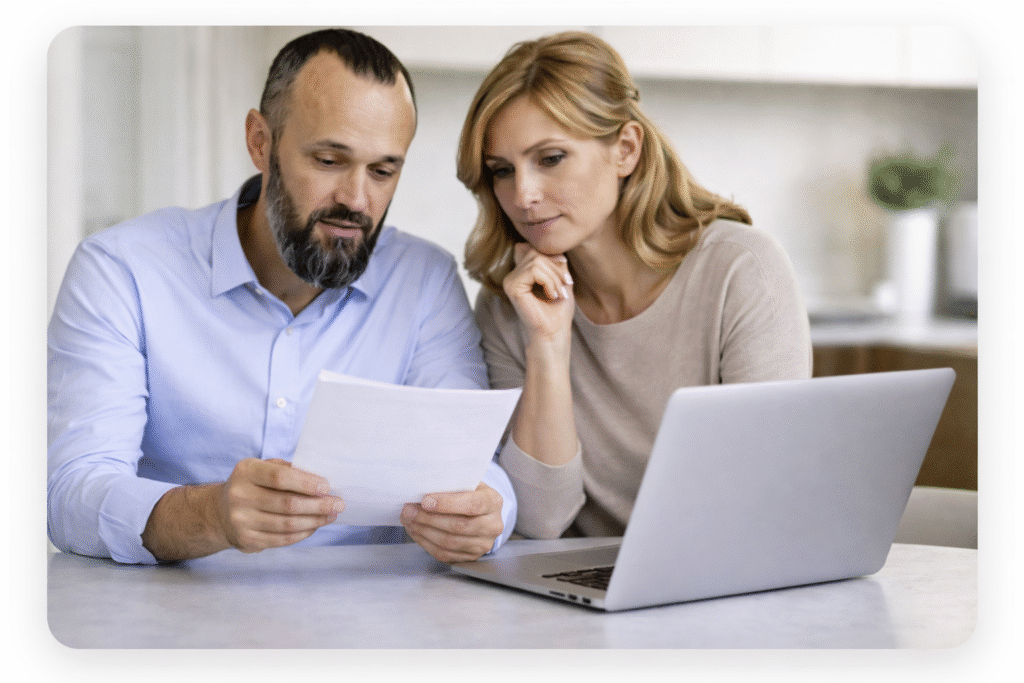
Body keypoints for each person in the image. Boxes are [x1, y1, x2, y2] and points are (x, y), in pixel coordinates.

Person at [47, 28, 515, 565]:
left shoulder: (425, 281)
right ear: (260, 143)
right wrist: (210, 515)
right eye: (329, 161)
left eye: (383, 171)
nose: (356, 199)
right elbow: (72, 494)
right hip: (173, 609)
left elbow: (475, 468)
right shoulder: (122, 270)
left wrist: (487, 514)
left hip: (371, 612)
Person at [456, 31, 812, 540]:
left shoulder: (741, 270)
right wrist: (548, 345)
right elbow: (540, 520)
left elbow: (762, 493)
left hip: (721, 567)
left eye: (550, 158)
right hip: (580, 581)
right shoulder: (509, 305)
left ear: (625, 149)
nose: (523, 195)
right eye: (501, 171)